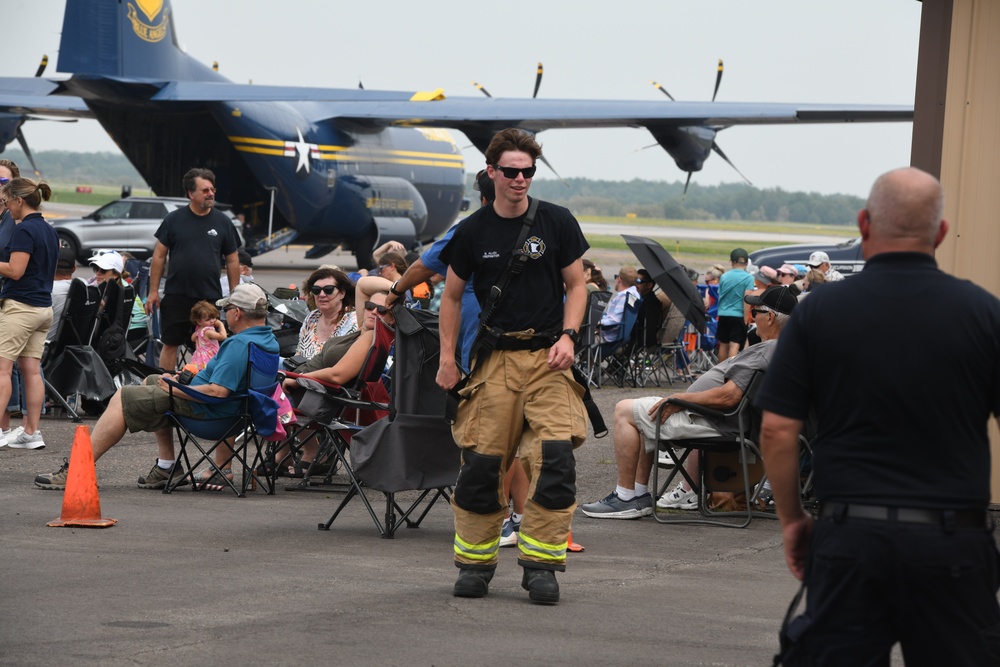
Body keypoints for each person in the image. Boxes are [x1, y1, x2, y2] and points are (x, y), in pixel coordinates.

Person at [758, 168, 1000, 665]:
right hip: (953, 543)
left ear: (865, 223)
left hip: (851, 540)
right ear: (939, 233)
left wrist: (792, 520)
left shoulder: (818, 311)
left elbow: (778, 428)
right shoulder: (982, 313)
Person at [436, 128, 589, 605]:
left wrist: (569, 336)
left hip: (548, 359)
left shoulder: (558, 221)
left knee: (556, 461)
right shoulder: (472, 230)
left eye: (527, 172)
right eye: (511, 172)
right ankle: (475, 565)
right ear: (492, 173)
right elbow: (453, 296)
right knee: (482, 466)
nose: (520, 179)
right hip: (494, 363)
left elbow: (578, 286)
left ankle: (542, 566)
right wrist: (447, 358)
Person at [34, 284, 279, 490]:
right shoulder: (268, 340)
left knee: (124, 395)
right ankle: (167, 466)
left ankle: (78, 469)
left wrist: (174, 388)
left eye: (227, 310)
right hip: (236, 414)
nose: (224, 314)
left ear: (237, 313)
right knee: (153, 380)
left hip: (214, 414)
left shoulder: (239, 345)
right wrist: (182, 379)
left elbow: (218, 391)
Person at [581, 284, 796, 518]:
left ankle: (624, 496)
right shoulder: (781, 348)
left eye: (756, 312)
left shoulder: (768, 349)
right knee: (644, 412)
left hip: (713, 420)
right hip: (716, 418)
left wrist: (680, 398)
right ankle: (638, 495)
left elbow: (728, 396)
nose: (752, 317)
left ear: (771, 317)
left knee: (623, 409)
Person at [145, 168, 241, 372]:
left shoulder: (223, 222)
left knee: (212, 345)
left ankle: (205, 388)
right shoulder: (174, 219)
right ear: (191, 193)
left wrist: (235, 295)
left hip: (209, 298)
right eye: (205, 190)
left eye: (213, 189)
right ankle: (166, 386)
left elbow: (233, 260)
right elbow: (159, 256)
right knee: (170, 344)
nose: (211, 193)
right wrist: (153, 291)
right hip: (177, 295)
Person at [0, 178, 59, 450]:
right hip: (43, 307)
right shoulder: (49, 229)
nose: (7, 207)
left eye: (7, 201)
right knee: (32, 371)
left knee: (2, 369)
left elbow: (15, 270)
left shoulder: (24, 230)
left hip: (21, 307)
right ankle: (31, 432)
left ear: (19, 201)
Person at [295, 267, 357, 359]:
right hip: (301, 371)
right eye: (316, 290)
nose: (321, 295)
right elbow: (298, 354)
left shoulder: (352, 321)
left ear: (342, 293)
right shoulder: (312, 317)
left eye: (328, 289)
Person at [715, 248, 754, 362]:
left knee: (723, 345)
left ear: (731, 261)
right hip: (738, 315)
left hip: (723, 314)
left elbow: (720, 295)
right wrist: (746, 318)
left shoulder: (724, 276)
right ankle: (729, 371)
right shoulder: (748, 278)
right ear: (746, 263)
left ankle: (719, 372)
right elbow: (746, 299)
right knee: (734, 345)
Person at [598, 266, 639, 343]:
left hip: (608, 338)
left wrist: (597, 324)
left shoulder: (623, 297)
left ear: (619, 279)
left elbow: (615, 320)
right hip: (619, 337)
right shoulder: (634, 294)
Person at [189, 300, 227, 370]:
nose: (212, 321)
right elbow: (223, 336)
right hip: (209, 358)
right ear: (199, 321)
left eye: (213, 318)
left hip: (198, 358)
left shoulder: (199, 330)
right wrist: (220, 324)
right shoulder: (208, 331)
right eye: (208, 319)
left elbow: (192, 338)